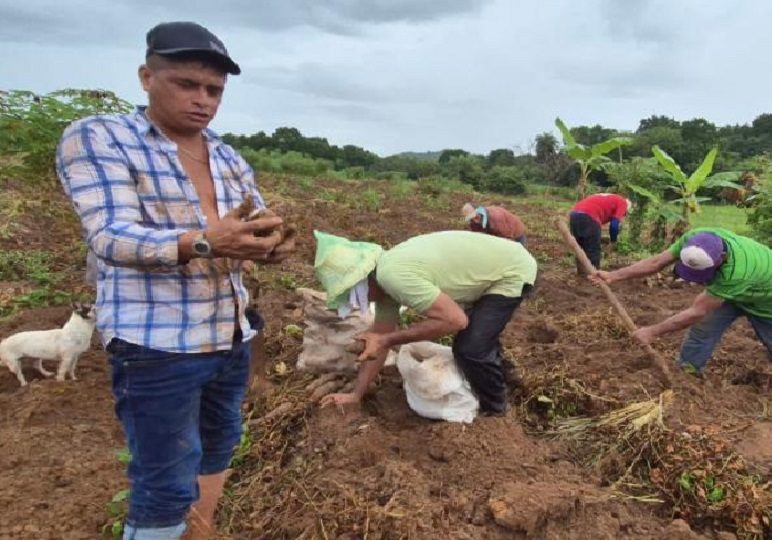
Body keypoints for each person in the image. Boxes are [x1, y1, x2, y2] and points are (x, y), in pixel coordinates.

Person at [56, 22, 287, 540]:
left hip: (229, 336)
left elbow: (255, 227)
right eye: (186, 84)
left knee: (217, 448)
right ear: (146, 76)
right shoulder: (100, 137)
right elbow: (110, 236)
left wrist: (270, 245)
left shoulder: (227, 157)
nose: (202, 101)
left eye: (214, 91)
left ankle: (200, 534)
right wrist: (206, 241)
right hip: (157, 345)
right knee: (162, 480)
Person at [591, 227, 772, 415]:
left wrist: (651, 331)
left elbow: (696, 312)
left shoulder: (736, 271)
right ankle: (686, 375)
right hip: (738, 291)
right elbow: (656, 262)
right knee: (702, 330)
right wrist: (614, 275)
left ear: (721, 259)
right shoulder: (695, 239)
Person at [314, 230, 537, 415]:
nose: (362, 301)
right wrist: (356, 394)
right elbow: (380, 344)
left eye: (355, 296)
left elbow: (454, 320)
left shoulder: (393, 276)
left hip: (512, 271)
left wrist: (387, 339)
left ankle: (496, 413)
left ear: (362, 280)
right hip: (495, 267)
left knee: (470, 347)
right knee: (478, 338)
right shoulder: (386, 283)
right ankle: (502, 377)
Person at [568, 193, 631, 270]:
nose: (623, 216)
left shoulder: (608, 197)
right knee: (593, 250)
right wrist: (613, 241)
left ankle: (581, 273)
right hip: (590, 216)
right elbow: (614, 225)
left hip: (574, 215)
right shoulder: (623, 203)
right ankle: (594, 276)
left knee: (580, 247)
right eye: (624, 214)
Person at [461, 202, 527, 246]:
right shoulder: (473, 221)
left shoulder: (496, 218)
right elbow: (478, 236)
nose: (474, 221)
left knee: (519, 251)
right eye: (471, 219)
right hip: (496, 231)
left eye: (475, 217)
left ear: (478, 211)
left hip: (515, 229)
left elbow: (507, 238)